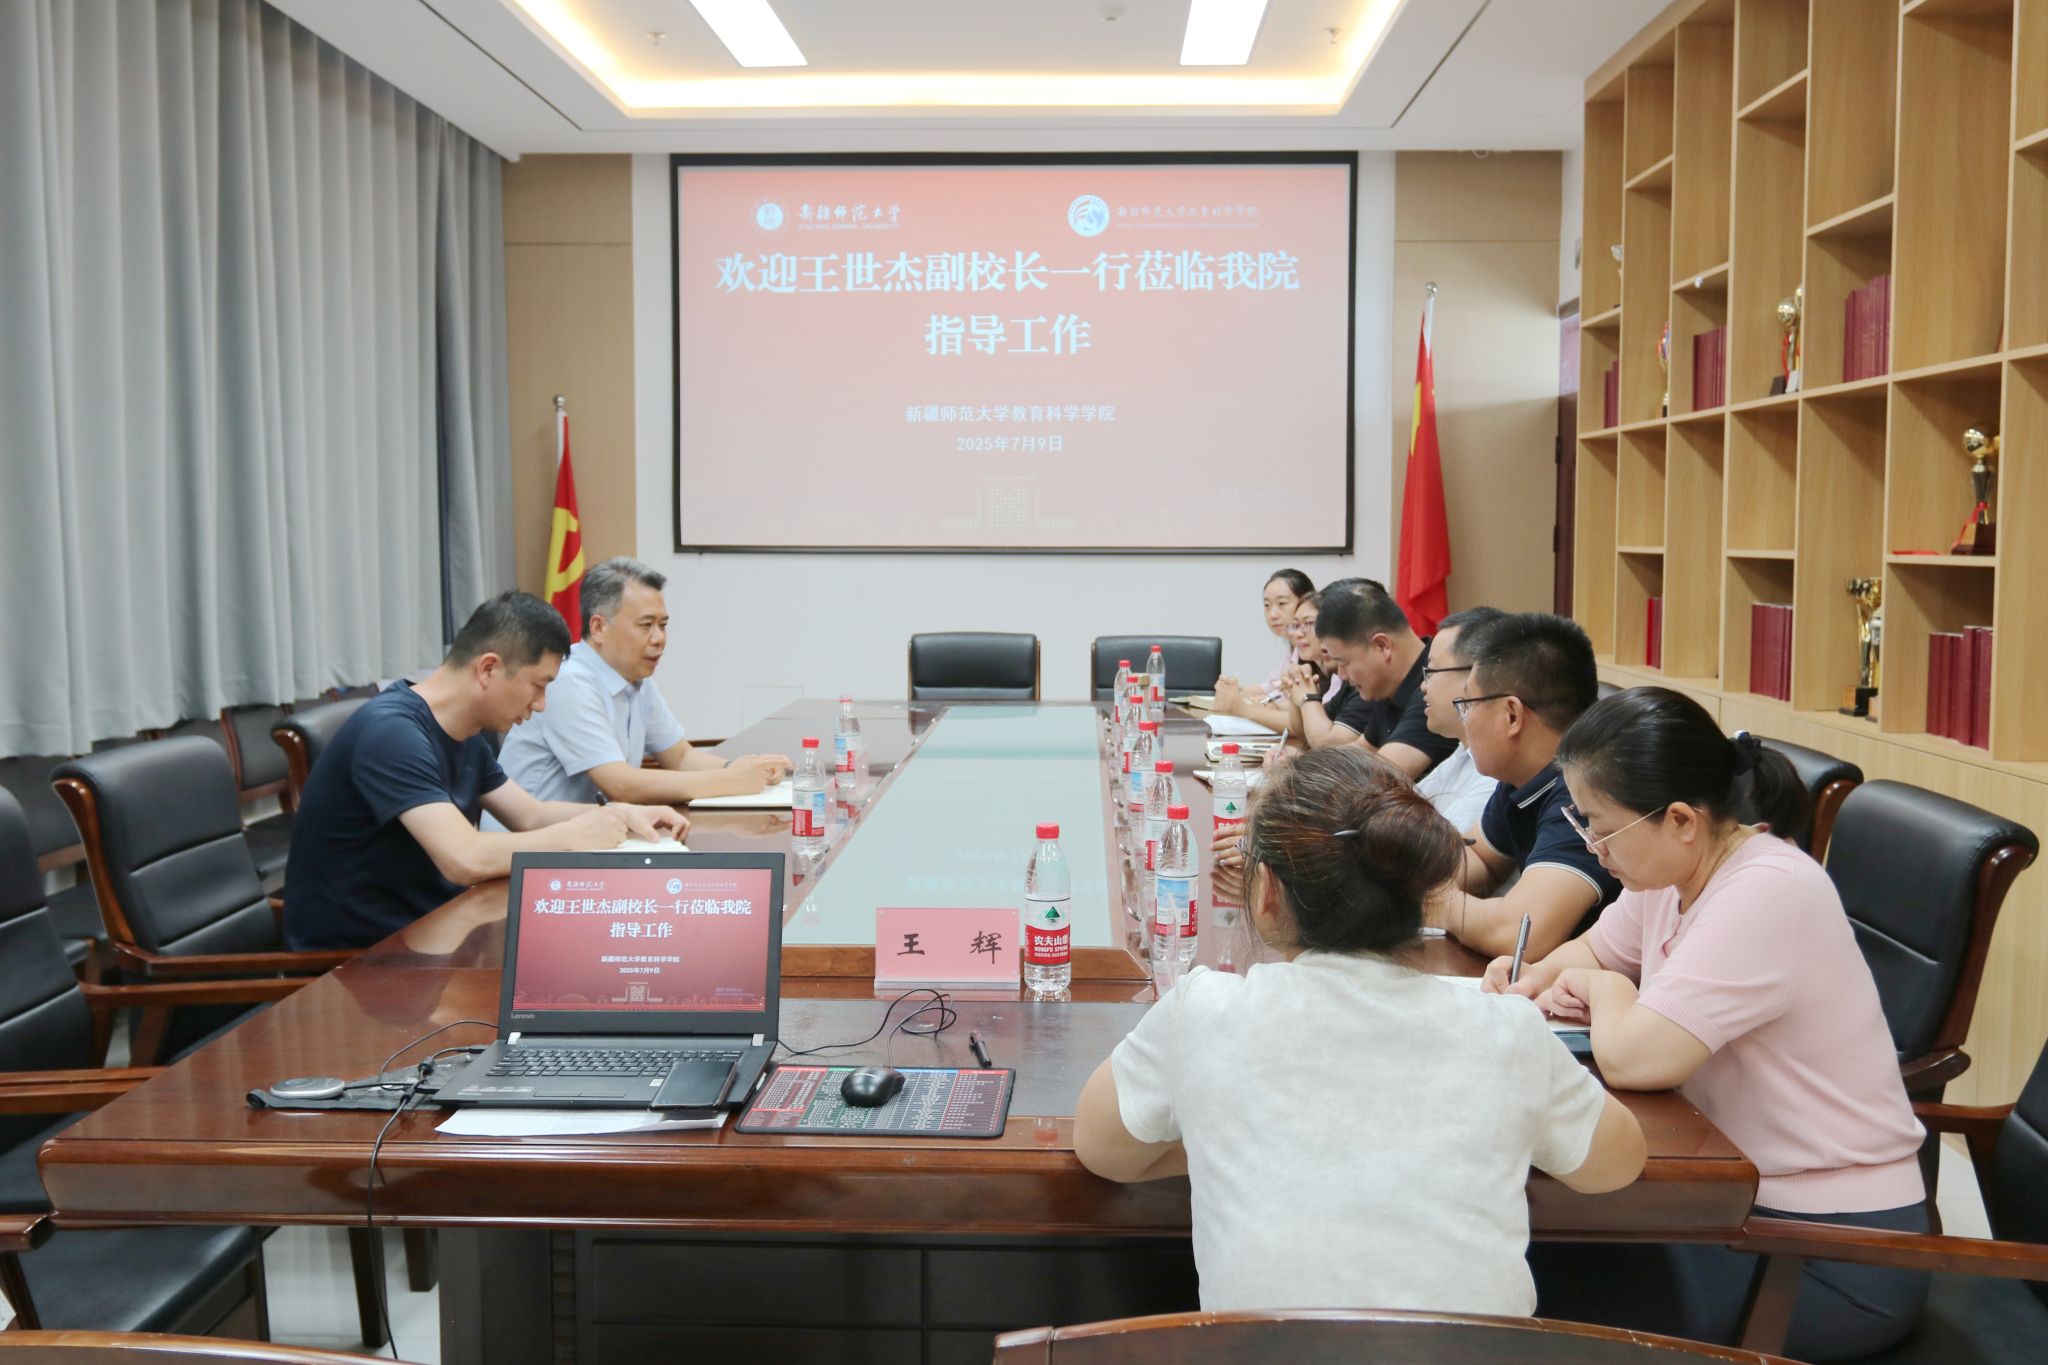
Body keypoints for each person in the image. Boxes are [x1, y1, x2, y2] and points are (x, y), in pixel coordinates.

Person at [1073, 748, 1646, 1313]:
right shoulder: (1508, 1031)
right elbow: (1616, 1164)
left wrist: (1229, 1135)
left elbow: (1105, 1151)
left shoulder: (1202, 1011)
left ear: (1266, 891)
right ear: (1426, 897)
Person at [1492, 689, 1929, 1360]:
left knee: (1527, 1291)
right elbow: (1591, 953)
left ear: (1680, 820)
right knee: (1514, 1248)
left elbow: (1637, 1058)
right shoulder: (1670, 875)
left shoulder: (1768, 888)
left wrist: (1608, 992)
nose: (1593, 847)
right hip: (1728, 1202)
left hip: (1827, 1252)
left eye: (1600, 828)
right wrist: (1530, 978)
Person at [284, 591, 688, 951]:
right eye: (538, 685)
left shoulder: (463, 731)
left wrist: (619, 814)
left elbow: (530, 814)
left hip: (433, 934)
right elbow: (465, 858)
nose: (541, 705)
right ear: (488, 669)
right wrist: (575, 836)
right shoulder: (392, 733)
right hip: (359, 965)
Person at [494, 557, 791, 813]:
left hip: (587, 836)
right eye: (646, 625)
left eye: (663, 625)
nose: (659, 638)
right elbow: (621, 785)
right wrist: (729, 781)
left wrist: (738, 768)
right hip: (528, 847)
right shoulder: (568, 681)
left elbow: (680, 756)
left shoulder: (636, 679)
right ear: (599, 628)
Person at [1424, 612, 1620, 962]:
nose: (1465, 720)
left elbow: (1520, 933)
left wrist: (1432, 901)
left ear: (1512, 715)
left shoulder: (1587, 790)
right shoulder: (1524, 776)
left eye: (1467, 704)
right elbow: (1481, 859)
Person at [1275, 578, 1456, 781]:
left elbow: (1377, 781)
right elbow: (1359, 752)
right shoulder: (1389, 684)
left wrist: (1297, 771)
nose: (1341, 675)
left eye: (1344, 663)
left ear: (1382, 646)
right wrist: (1297, 762)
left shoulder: (1434, 688)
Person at [1414, 606, 1506, 833]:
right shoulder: (1463, 753)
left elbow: (1426, 847)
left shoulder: (1498, 774)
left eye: (1431, 672)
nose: (1423, 686)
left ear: (1476, 675)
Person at [1211, 569, 1312, 728]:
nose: (1273, 614)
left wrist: (1244, 706)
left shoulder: (1311, 654)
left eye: (1282, 604)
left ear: (1305, 602)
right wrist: (1234, 693)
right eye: (1267, 605)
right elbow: (1270, 687)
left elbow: (1310, 708)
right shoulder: (1293, 650)